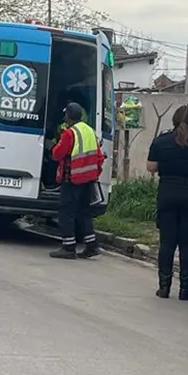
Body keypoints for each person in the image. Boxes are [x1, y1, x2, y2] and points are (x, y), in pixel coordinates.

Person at [147, 105, 188, 301]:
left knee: (167, 243)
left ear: (173, 120)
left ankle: (164, 288)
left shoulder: (161, 141)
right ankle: (185, 290)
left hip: (167, 195)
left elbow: (151, 166)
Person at [49, 102, 106, 259]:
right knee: (84, 213)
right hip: (89, 179)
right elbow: (100, 157)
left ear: (67, 116)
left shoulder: (69, 133)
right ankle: (92, 246)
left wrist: (55, 144)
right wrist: (93, 173)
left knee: (66, 213)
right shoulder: (90, 131)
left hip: (72, 179)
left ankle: (68, 247)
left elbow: (57, 154)